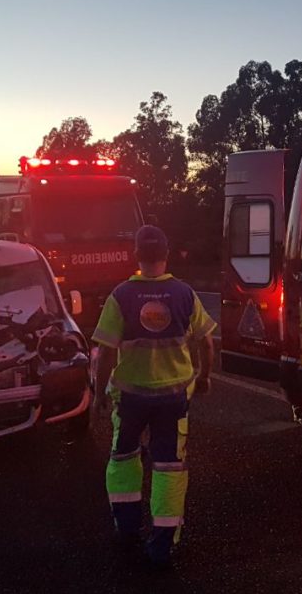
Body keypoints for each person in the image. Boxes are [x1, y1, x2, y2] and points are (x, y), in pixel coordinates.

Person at [92, 225, 216, 568]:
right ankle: (162, 543)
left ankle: (127, 528)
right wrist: (204, 376)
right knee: (169, 466)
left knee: (123, 458)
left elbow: (104, 351)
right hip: (173, 398)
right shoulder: (185, 294)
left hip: (130, 397)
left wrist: (99, 394)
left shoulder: (120, 295)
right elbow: (206, 342)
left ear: (136, 255)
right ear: (166, 254)